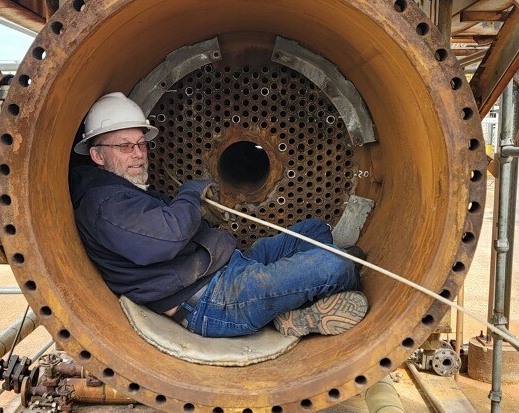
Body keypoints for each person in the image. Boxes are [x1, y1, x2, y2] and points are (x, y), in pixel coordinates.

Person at [69, 91, 368, 338]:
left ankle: (292, 304)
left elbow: (163, 228)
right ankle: (306, 304)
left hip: (224, 268)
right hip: (212, 301)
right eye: (124, 146)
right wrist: (190, 195)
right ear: (97, 155)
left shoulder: (122, 190)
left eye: (141, 144)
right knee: (336, 264)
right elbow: (165, 239)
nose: (137, 153)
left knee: (315, 231)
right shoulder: (103, 203)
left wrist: (200, 215)